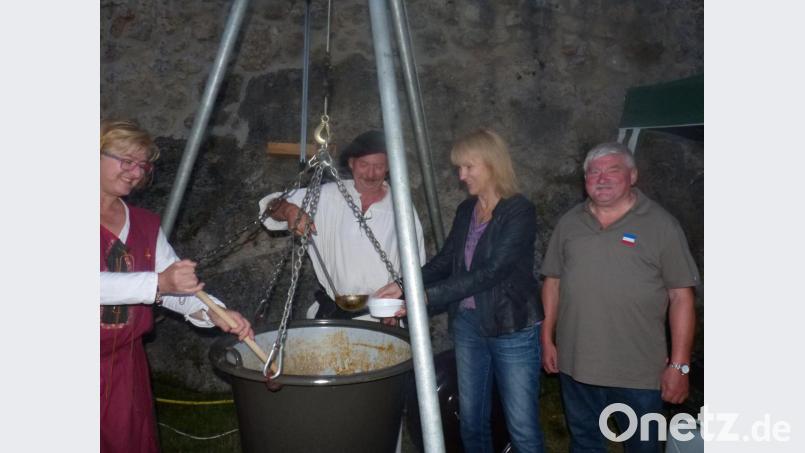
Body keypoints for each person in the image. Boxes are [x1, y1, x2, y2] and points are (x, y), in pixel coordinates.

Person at [376, 128, 545, 453]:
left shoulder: (519, 211)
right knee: (470, 418)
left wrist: (424, 298)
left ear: (493, 164)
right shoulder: (467, 210)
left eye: (469, 167)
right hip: (469, 325)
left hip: (510, 326)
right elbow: (445, 262)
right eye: (459, 168)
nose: (461, 175)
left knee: (521, 425)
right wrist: (402, 284)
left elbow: (492, 271)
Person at [100, 120, 254, 453]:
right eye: (126, 161)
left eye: (142, 165)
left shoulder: (143, 223)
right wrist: (159, 282)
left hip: (125, 366)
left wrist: (211, 311)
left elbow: (175, 289)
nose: (135, 173)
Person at [540, 142, 700, 453]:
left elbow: (681, 297)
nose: (601, 178)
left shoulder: (661, 225)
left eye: (612, 170)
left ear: (633, 175)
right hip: (576, 367)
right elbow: (552, 281)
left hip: (638, 372)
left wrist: (679, 367)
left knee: (643, 447)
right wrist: (547, 338)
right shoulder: (570, 223)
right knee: (585, 443)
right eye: (593, 172)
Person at [258, 130, 426, 320]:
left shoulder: (401, 206)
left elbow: (416, 267)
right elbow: (270, 206)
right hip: (333, 313)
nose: (371, 174)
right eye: (364, 165)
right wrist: (289, 210)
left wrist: (399, 305)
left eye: (379, 166)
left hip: (384, 313)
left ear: (388, 168)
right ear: (351, 163)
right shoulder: (327, 196)